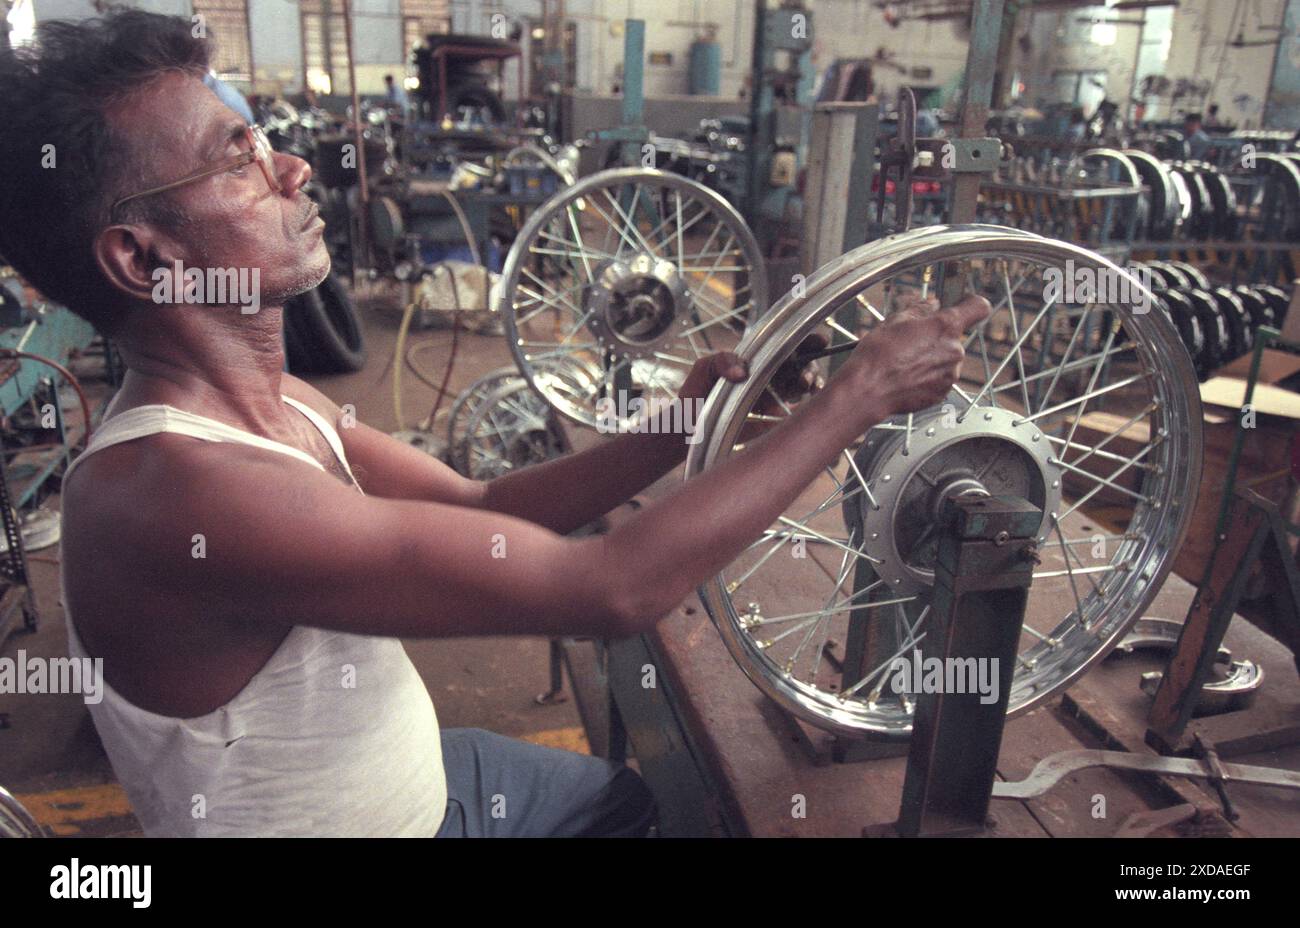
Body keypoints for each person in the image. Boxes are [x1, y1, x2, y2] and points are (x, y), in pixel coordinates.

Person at [0, 12, 990, 837]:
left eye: (260, 135)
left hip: (425, 781)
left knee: (648, 805)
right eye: (236, 158)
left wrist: (688, 422)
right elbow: (608, 587)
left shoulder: (273, 405)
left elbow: (485, 503)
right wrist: (854, 398)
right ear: (142, 257)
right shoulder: (178, 491)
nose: (293, 168)